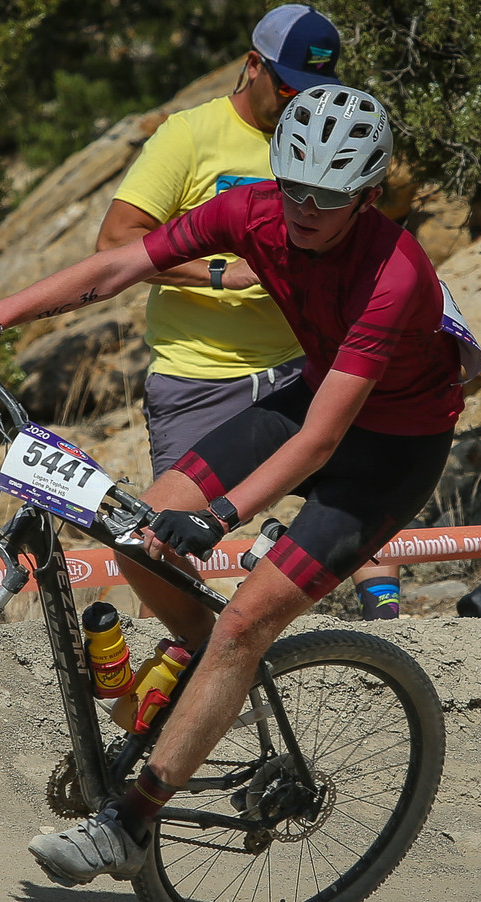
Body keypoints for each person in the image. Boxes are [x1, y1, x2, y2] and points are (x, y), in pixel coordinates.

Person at [0, 85, 481, 886]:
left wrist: (223, 516)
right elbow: (123, 263)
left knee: (247, 619)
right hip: (310, 392)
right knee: (140, 531)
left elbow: (325, 440)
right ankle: (202, 664)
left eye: (328, 197)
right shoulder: (254, 212)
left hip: (391, 449)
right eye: (294, 185)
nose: (305, 209)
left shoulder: (394, 273)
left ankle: (131, 822)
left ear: (366, 197)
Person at [96, 4, 405, 620]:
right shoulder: (189, 135)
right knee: (159, 539)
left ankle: (390, 632)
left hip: (299, 366)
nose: (299, 103)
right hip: (199, 378)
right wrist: (221, 273)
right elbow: (115, 244)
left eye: (314, 90)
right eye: (289, 88)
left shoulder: (322, 136)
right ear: (253, 66)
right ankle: (197, 653)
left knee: (361, 495)